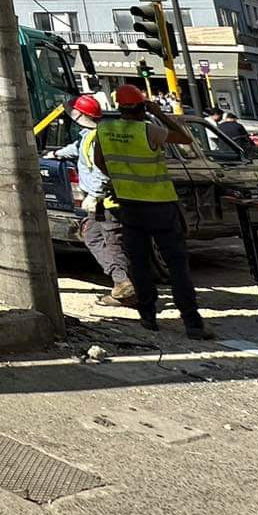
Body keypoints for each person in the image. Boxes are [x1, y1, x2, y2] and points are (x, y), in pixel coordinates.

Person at [92, 84, 212, 340]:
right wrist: (159, 113)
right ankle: (192, 322)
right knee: (176, 265)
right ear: (141, 108)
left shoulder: (104, 130)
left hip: (128, 207)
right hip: (160, 206)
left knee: (139, 264)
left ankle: (148, 316)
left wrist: (120, 179)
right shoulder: (148, 129)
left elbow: (100, 161)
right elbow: (185, 138)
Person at [67, 93, 135, 306]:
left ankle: (125, 284)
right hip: (102, 202)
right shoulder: (89, 136)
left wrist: (95, 195)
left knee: (112, 241)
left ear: (79, 116)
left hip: (105, 201)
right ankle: (124, 284)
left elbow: (101, 171)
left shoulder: (97, 139)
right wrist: (56, 154)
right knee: (92, 236)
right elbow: (76, 149)